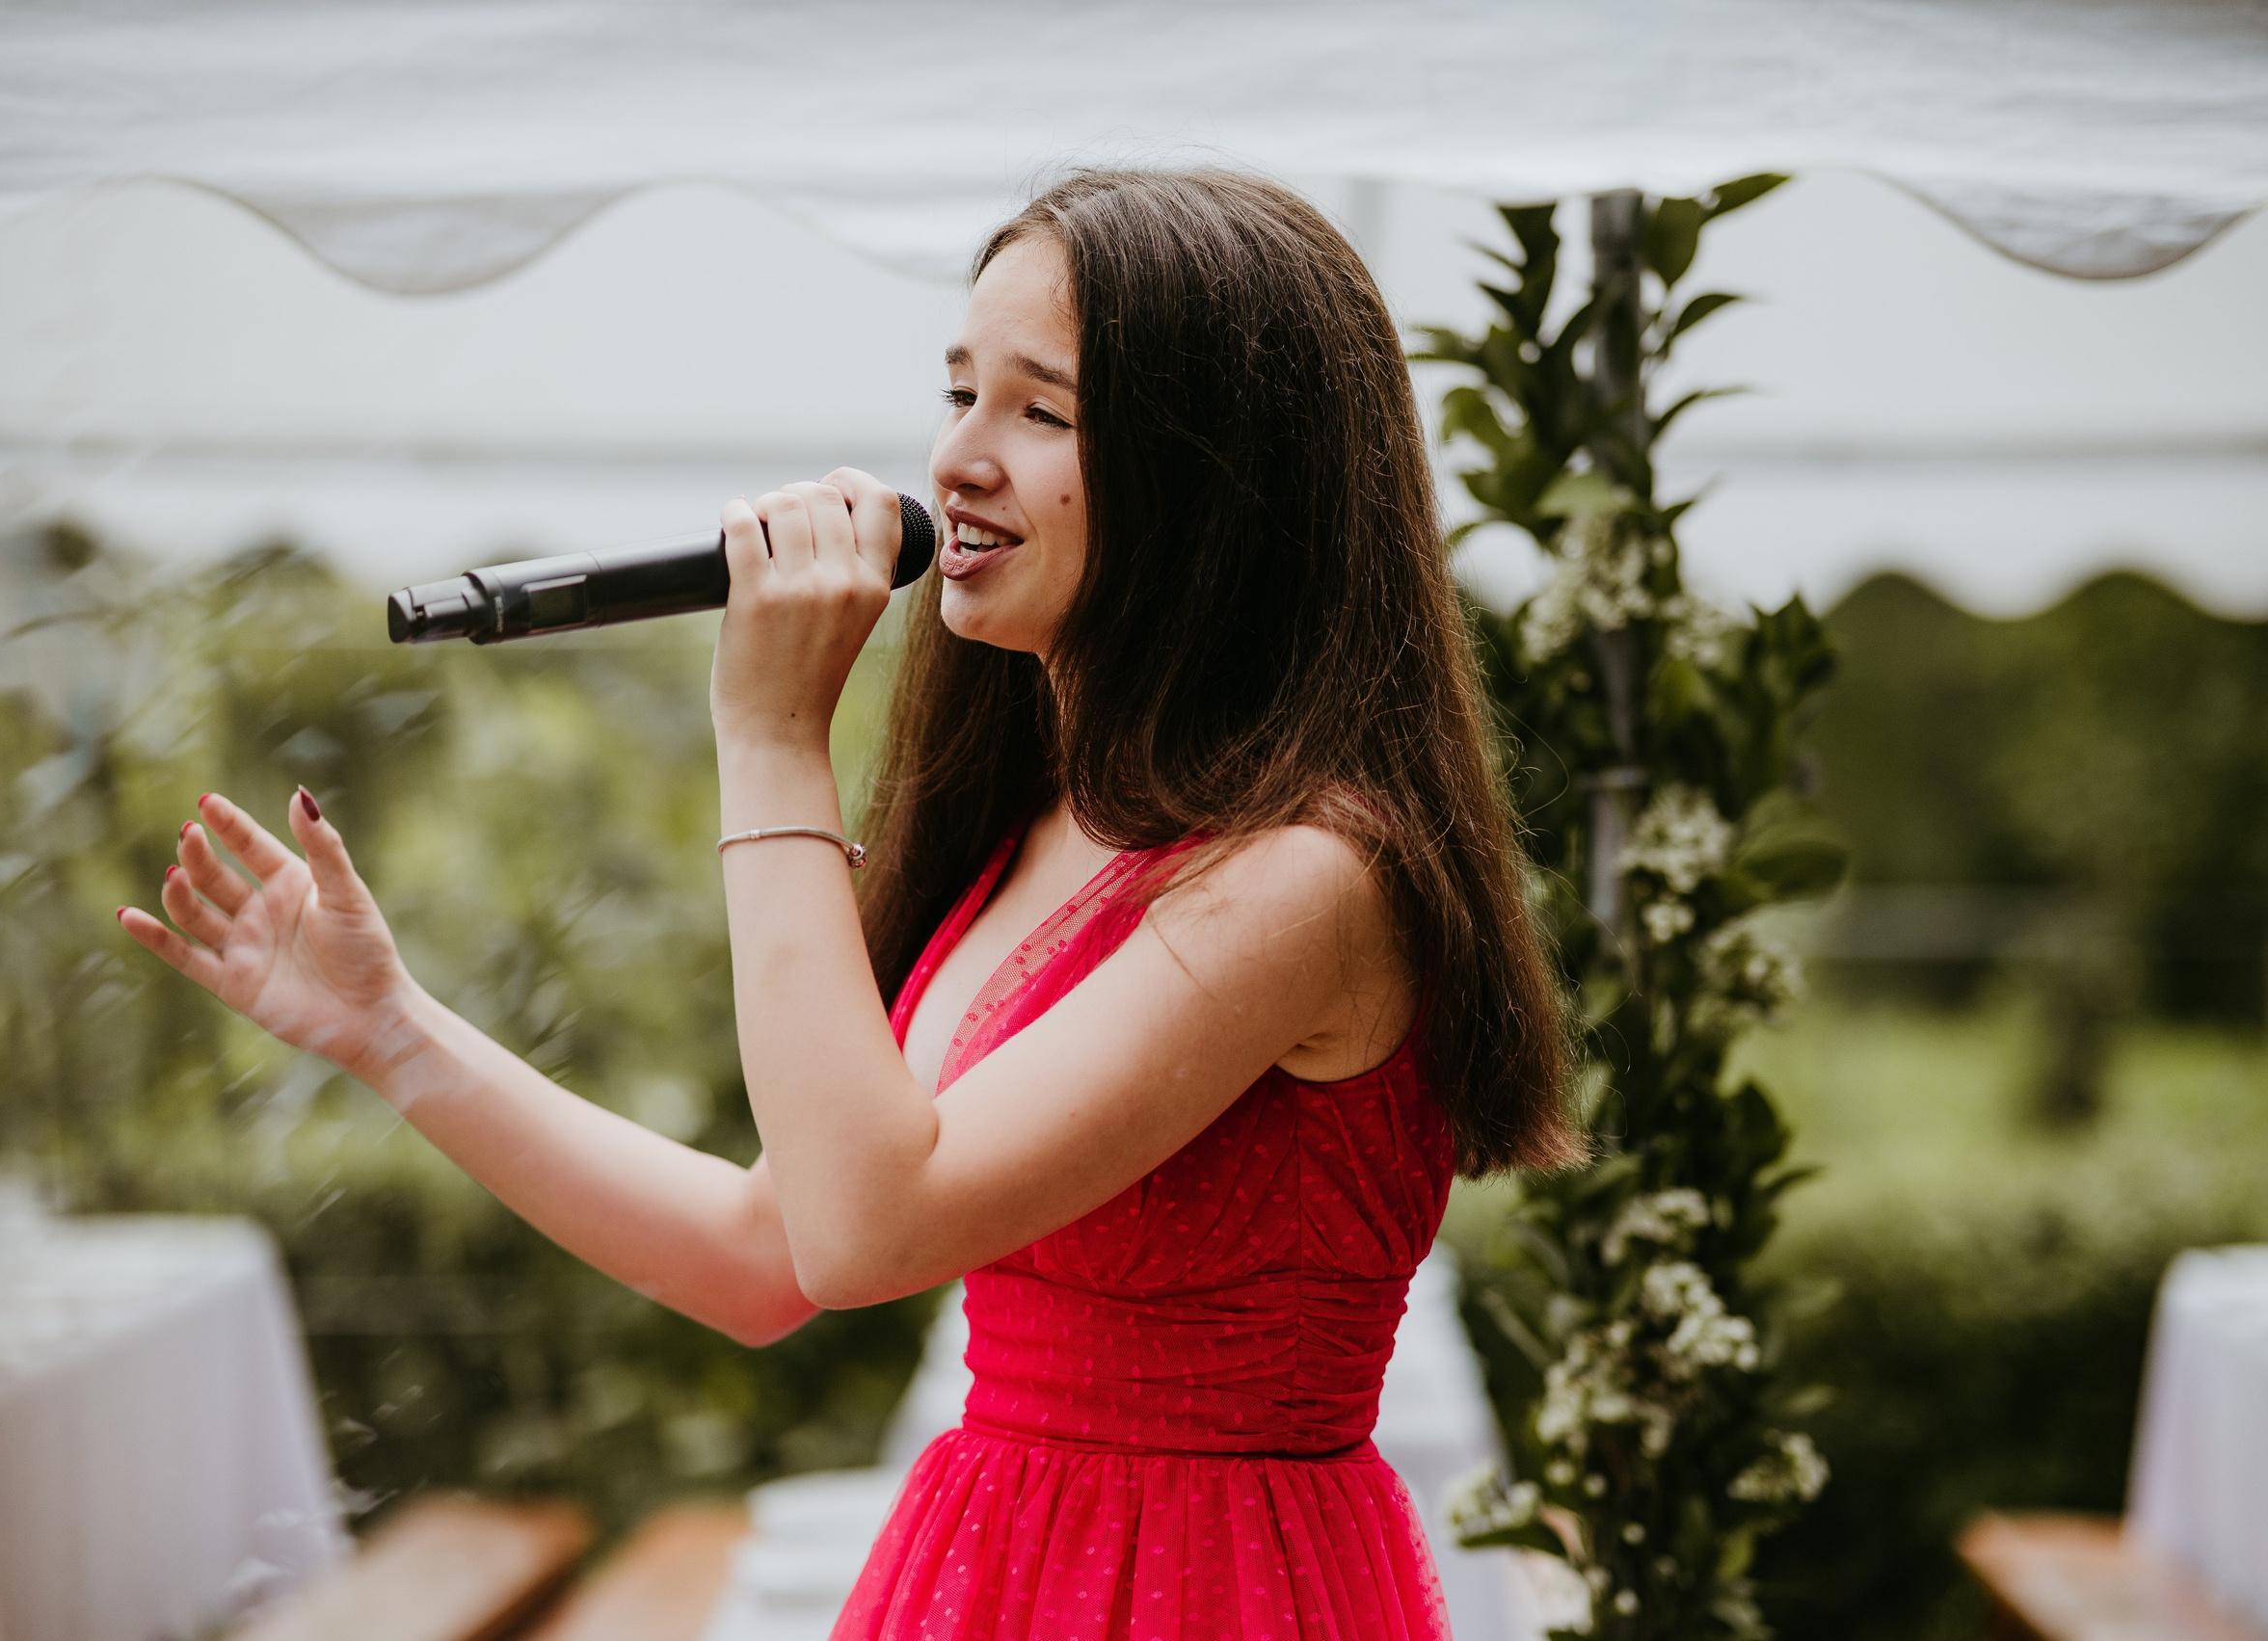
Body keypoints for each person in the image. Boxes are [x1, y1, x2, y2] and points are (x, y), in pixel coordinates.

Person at [118, 168, 1580, 1641]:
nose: (956, 461)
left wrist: (767, 740)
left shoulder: (1306, 876)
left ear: (1224, 483)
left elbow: (865, 1233)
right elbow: (771, 1253)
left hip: (1203, 1595)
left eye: (1042, 411)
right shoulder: (1039, 828)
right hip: (993, 1571)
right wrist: (391, 1029)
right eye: (957, 393)